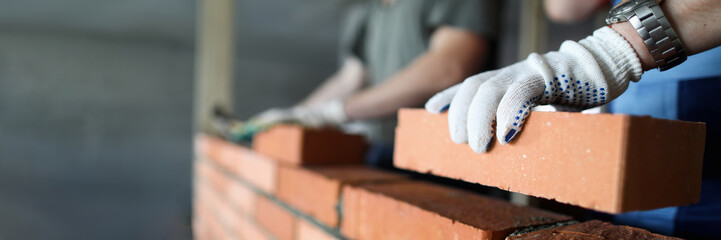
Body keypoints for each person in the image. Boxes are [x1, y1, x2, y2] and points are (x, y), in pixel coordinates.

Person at [425, 0, 721, 238]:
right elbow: (564, 7)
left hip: (705, 75)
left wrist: (610, 53)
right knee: (634, 214)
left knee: (696, 214)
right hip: (633, 87)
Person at [251, 0, 498, 165]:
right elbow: (352, 77)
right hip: (383, 149)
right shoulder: (368, 8)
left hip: (446, 156)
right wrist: (300, 113)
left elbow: (448, 67)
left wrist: (338, 111)